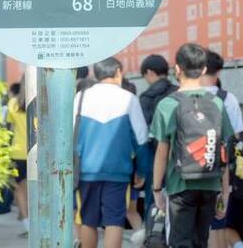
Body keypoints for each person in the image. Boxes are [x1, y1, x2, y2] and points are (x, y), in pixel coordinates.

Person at [151, 43, 235, 248]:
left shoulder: (167, 105)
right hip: (210, 183)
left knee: (180, 242)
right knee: (201, 242)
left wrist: (157, 189)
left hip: (179, 185)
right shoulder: (216, 103)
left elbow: (162, 152)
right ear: (204, 69)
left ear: (177, 69)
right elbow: (224, 150)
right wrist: (225, 192)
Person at [74, 58, 149, 248]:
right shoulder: (128, 98)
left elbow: (70, 134)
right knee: (114, 220)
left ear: (96, 74)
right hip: (118, 171)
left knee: (88, 219)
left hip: (86, 171)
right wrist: (141, 171)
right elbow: (141, 139)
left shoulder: (81, 97)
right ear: (117, 72)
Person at [200, 51, 243, 248]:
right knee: (218, 224)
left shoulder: (179, 97)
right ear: (218, 72)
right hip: (220, 173)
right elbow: (237, 137)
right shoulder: (228, 99)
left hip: (186, 174)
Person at [138, 54, 178, 214]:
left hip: (155, 158)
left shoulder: (146, 98)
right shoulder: (178, 92)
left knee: (154, 206)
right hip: (181, 159)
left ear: (149, 72)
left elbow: (142, 133)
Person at [121, 78, 146, 247]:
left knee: (125, 211)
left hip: (124, 172)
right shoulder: (136, 115)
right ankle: (143, 239)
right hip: (133, 171)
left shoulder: (122, 119)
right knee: (131, 211)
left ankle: (142, 239)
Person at [6, 76, 29, 235]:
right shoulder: (43, 102)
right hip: (38, 151)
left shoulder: (13, 103)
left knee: (19, 189)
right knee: (36, 188)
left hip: (17, 152)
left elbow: (9, 130)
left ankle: (27, 225)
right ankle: (39, 222)